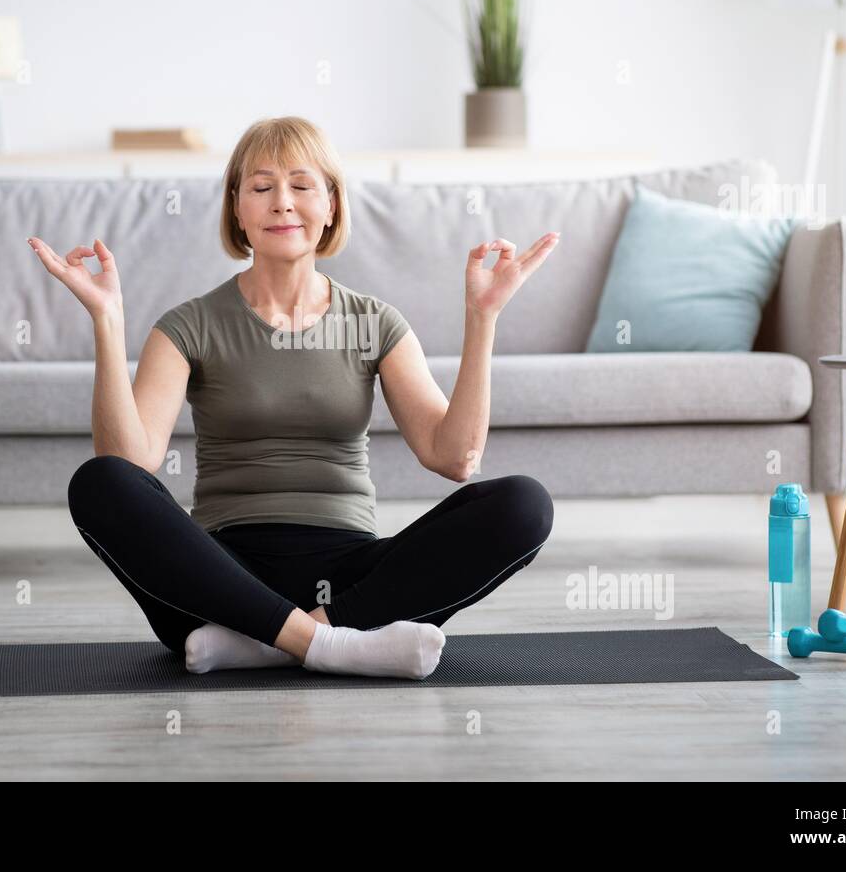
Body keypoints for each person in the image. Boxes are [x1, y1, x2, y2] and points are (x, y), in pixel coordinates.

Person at [29, 116, 558, 680]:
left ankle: (279, 640)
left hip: (352, 577)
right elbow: (130, 464)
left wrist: (483, 319)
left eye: (302, 186)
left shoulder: (374, 322)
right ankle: (333, 645)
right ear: (237, 207)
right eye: (261, 187)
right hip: (220, 578)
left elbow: (454, 459)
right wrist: (107, 322)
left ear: (331, 204)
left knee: (525, 504)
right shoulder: (189, 325)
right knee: (99, 482)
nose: (282, 203)